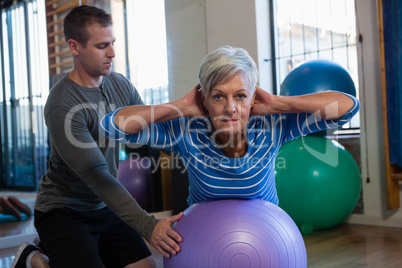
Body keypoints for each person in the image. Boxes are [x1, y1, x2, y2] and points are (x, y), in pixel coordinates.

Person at [11, 5, 182, 268]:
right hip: (64, 211)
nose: (112, 53)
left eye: (112, 43)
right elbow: (100, 178)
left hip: (105, 207)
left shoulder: (120, 84)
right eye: (102, 46)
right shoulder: (62, 104)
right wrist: (148, 225)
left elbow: (148, 132)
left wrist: (193, 113)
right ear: (75, 47)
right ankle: (32, 257)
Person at [100, 45, 360, 207]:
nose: (230, 109)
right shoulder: (186, 131)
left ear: (253, 98)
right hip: (206, 243)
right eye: (218, 96)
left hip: (265, 239)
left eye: (240, 96)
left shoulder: (272, 126)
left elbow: (348, 107)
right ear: (203, 99)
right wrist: (180, 106)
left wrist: (279, 104)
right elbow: (112, 126)